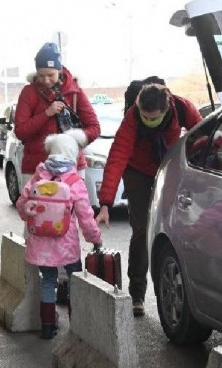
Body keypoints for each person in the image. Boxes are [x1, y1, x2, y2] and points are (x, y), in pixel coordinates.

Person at [95, 83, 202, 317]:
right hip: (137, 172)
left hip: (169, 166)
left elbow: (203, 135)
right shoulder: (132, 118)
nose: (148, 121)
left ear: (166, 109)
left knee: (175, 228)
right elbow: (117, 158)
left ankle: (183, 292)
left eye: (153, 118)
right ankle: (137, 294)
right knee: (142, 230)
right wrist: (105, 203)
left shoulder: (181, 108)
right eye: (144, 116)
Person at [15, 129, 102, 339]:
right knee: (76, 281)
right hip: (67, 244)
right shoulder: (73, 181)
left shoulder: (39, 177)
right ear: (73, 154)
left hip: (40, 244)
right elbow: (85, 216)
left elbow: (21, 205)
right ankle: (77, 325)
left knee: (48, 280)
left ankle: (47, 326)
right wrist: (95, 239)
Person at [14, 42, 100, 184]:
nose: (46, 80)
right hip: (36, 167)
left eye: (50, 75)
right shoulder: (29, 93)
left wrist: (72, 139)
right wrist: (46, 114)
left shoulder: (75, 92)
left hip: (72, 167)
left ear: (59, 70)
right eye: (41, 75)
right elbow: (21, 131)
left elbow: (94, 128)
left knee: (76, 206)